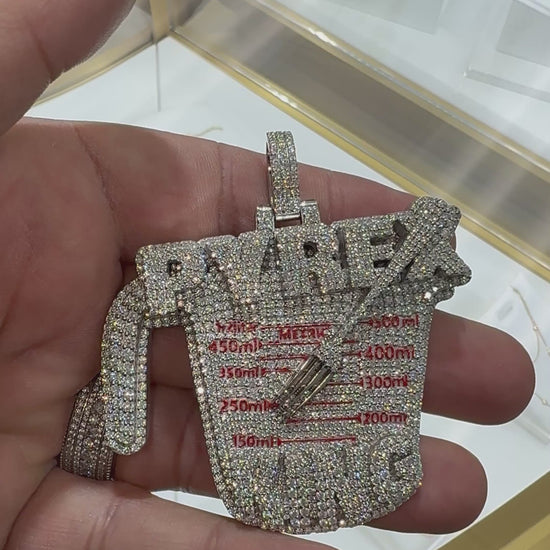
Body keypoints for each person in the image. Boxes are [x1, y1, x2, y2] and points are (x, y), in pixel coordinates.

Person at [0, 1, 534, 549]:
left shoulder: (393, 273)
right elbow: (135, 306)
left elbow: (135, 305)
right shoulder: (199, 283)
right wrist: (122, 415)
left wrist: (123, 421)